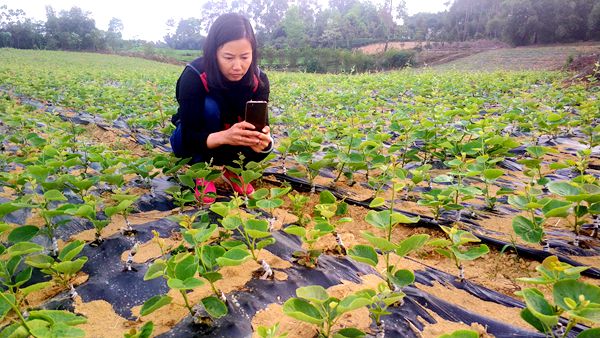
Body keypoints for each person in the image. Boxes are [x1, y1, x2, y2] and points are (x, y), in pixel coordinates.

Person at [170, 13, 273, 202]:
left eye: (244, 57)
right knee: (210, 107)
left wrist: (263, 142)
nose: (237, 66)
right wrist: (225, 136)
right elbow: (188, 137)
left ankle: (234, 171)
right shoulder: (194, 75)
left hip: (230, 142)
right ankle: (200, 170)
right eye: (228, 57)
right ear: (214, 53)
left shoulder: (259, 81)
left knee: (263, 141)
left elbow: (263, 128)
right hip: (191, 141)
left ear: (253, 53)